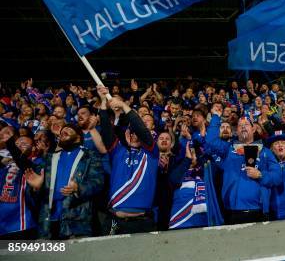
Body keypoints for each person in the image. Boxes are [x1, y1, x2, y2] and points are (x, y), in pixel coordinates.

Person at [20, 123, 104, 239]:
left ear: (78, 137)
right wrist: (36, 187)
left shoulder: (90, 156)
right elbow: (35, 192)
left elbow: (98, 182)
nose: (64, 131)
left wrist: (78, 188)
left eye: (69, 130)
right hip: (48, 222)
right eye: (62, 131)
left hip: (76, 221)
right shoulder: (49, 158)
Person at [203, 106, 282, 224]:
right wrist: (215, 117)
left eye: (246, 124)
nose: (243, 126)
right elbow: (211, 141)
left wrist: (261, 175)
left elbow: (278, 177)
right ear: (237, 131)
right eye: (240, 125)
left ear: (254, 129)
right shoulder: (228, 149)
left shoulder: (265, 152)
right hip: (231, 211)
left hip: (258, 211)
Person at [98, 86, 158, 235]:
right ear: (126, 134)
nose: (136, 135)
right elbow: (105, 129)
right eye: (132, 132)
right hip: (114, 221)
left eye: (138, 132)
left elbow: (142, 130)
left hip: (142, 222)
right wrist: (103, 101)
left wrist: (125, 106)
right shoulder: (117, 150)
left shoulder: (152, 153)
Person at [167, 139, 223, 229]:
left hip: (203, 221)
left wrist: (200, 155)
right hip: (180, 221)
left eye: (193, 152)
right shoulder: (180, 168)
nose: (191, 154)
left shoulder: (206, 169)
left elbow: (215, 169)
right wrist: (187, 160)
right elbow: (173, 180)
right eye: (189, 151)